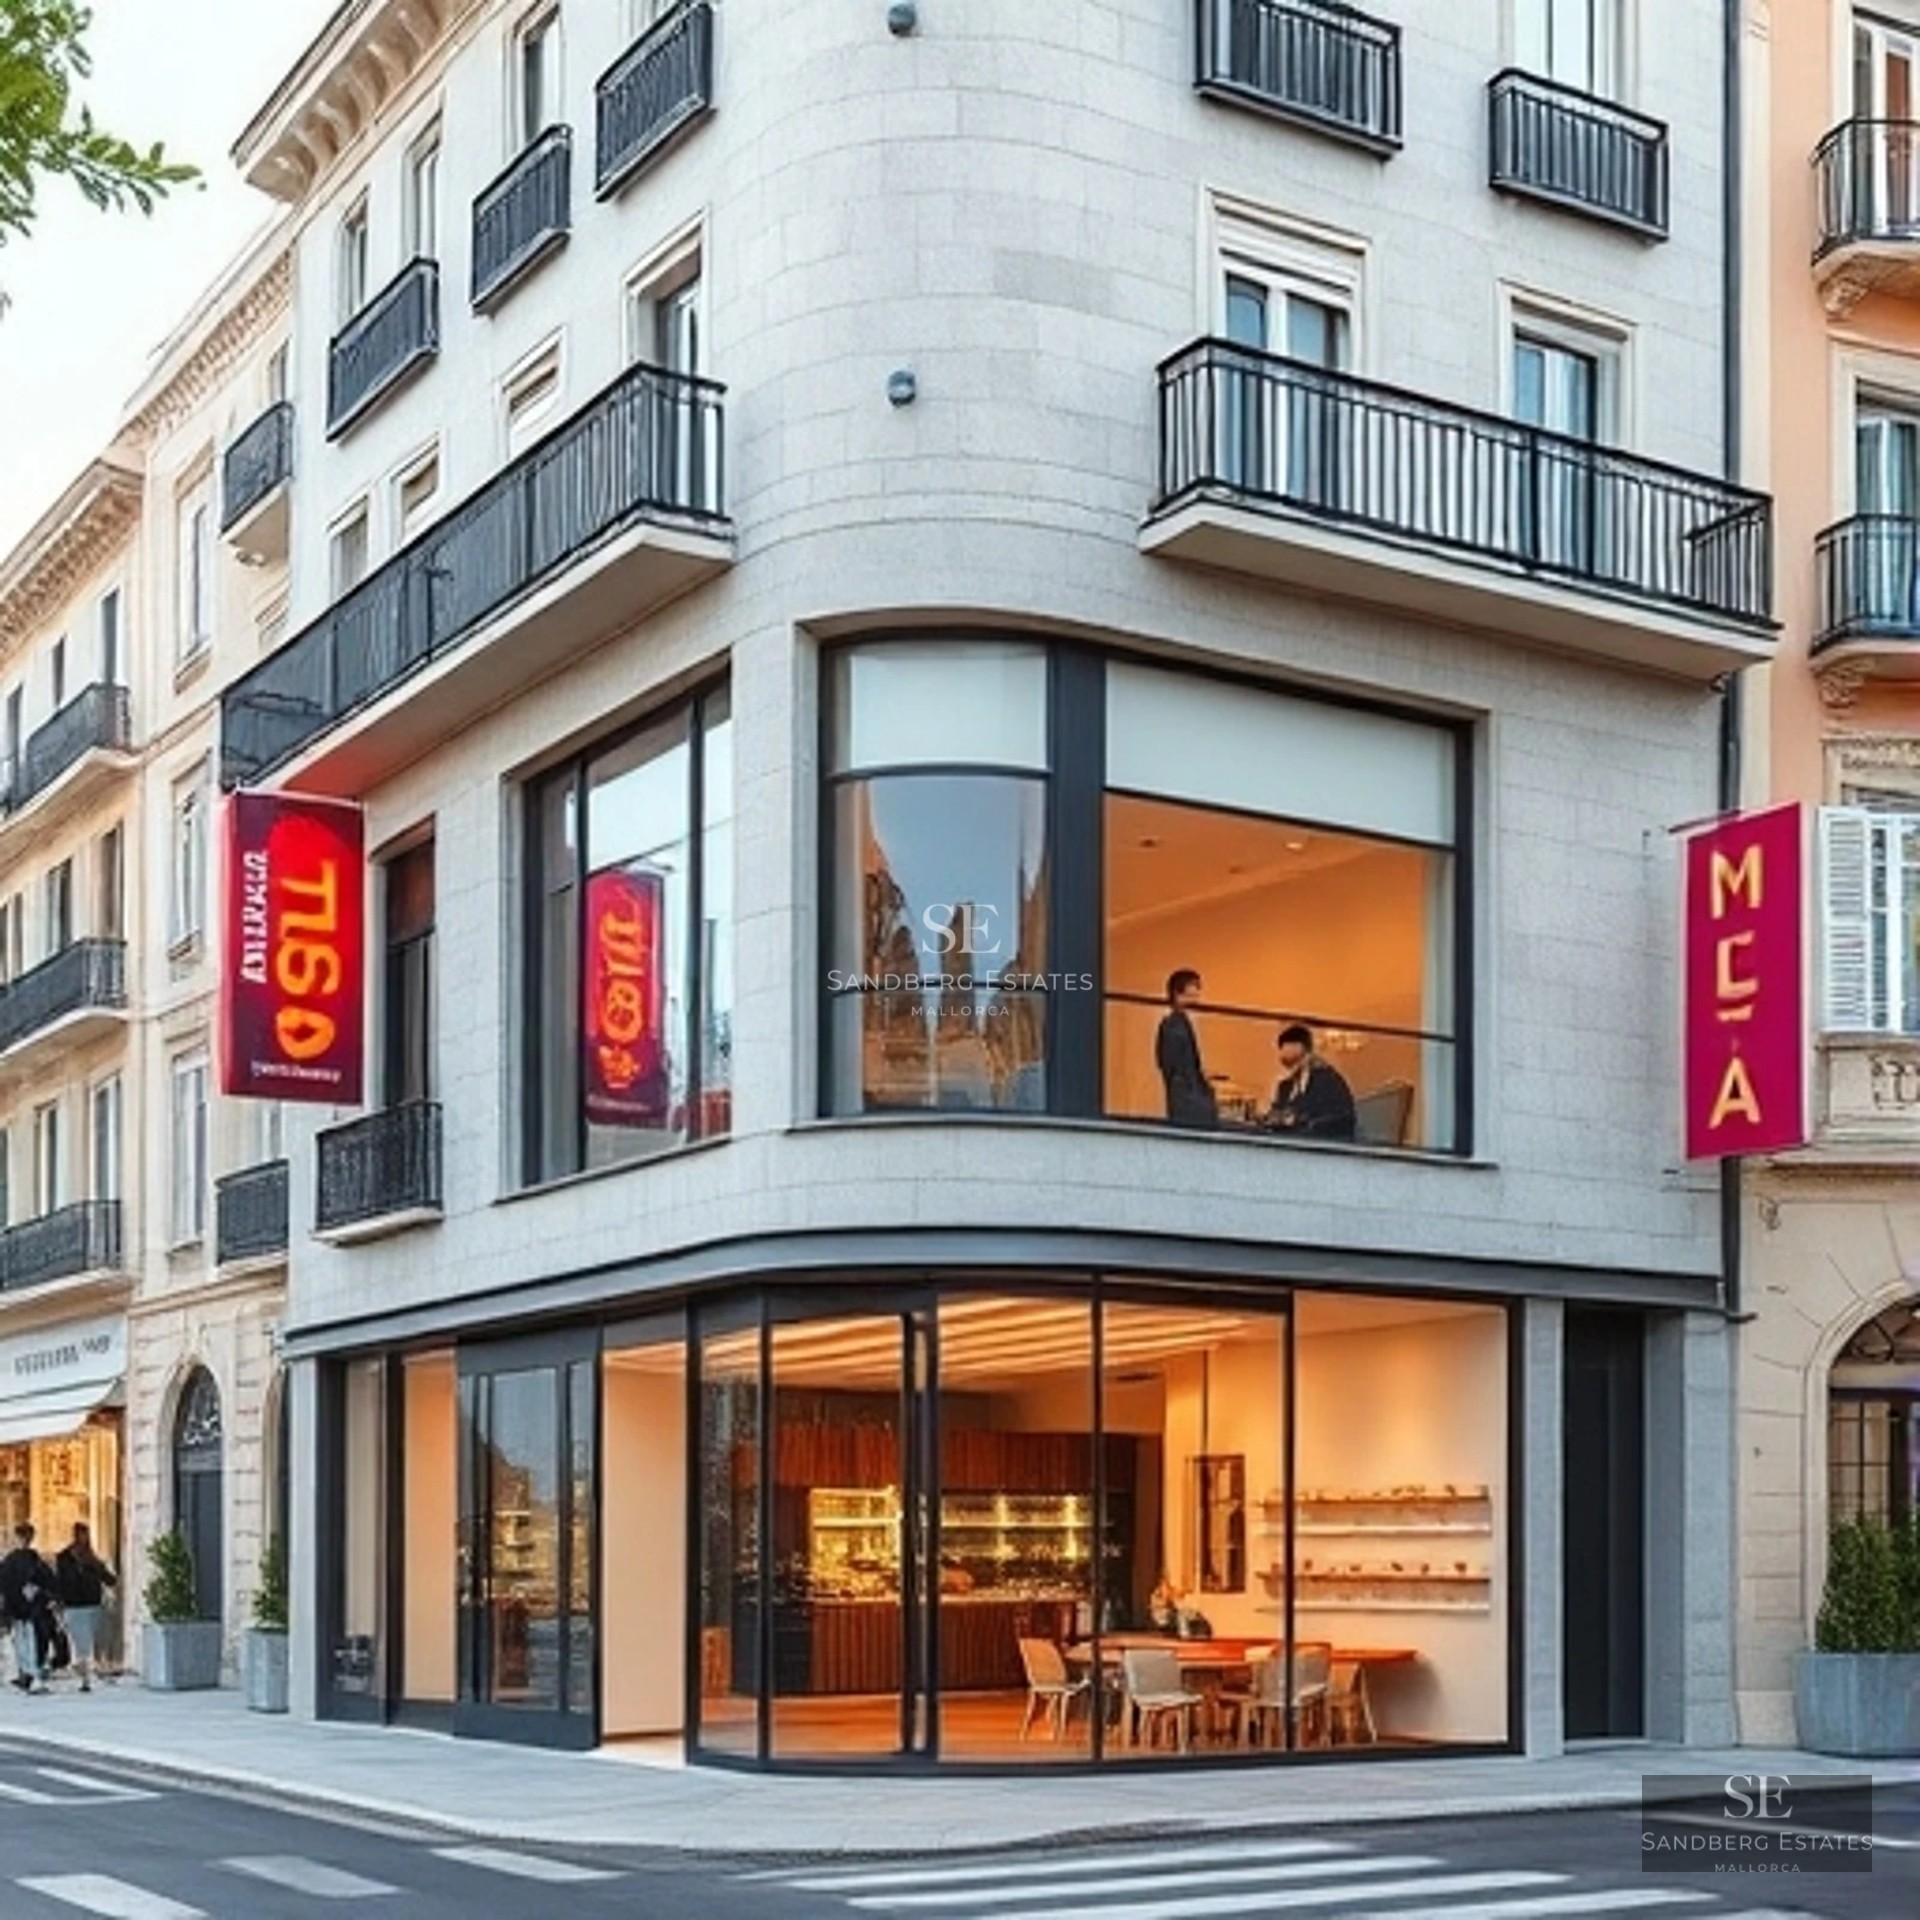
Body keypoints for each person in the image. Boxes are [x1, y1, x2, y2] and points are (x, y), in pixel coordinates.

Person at [1265, 1023, 1358, 1141]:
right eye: (1287, 1064)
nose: (1291, 1069)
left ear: (1307, 1053)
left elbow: (1343, 1120)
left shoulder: (1328, 1082)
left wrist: (1302, 1122)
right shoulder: (1285, 1087)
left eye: (1295, 1061)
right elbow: (1275, 1117)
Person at [55, 1522, 116, 1693]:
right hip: (74, 1606)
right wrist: (59, 1602)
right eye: (81, 1534)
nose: (83, 1538)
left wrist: (99, 1570)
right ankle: (85, 1679)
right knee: (80, 1644)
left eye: (85, 1534)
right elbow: (60, 1582)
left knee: (89, 1643)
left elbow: (109, 1579)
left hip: (92, 1604)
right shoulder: (64, 1558)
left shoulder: (92, 1558)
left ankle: (87, 1674)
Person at [1155, 969, 1218, 1127]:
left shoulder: (1181, 1022)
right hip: (1187, 1100)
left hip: (1188, 1095)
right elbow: (1172, 1065)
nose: (1197, 991)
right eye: (1193, 986)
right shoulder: (1173, 1024)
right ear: (1178, 991)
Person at [0, 1523, 55, 1694]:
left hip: (22, 1607)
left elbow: (4, 1583)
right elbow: (47, 1580)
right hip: (29, 1607)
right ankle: (29, 1673)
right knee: (28, 1640)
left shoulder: (15, 1560)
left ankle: (28, 1673)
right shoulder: (33, 1559)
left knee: (24, 1640)